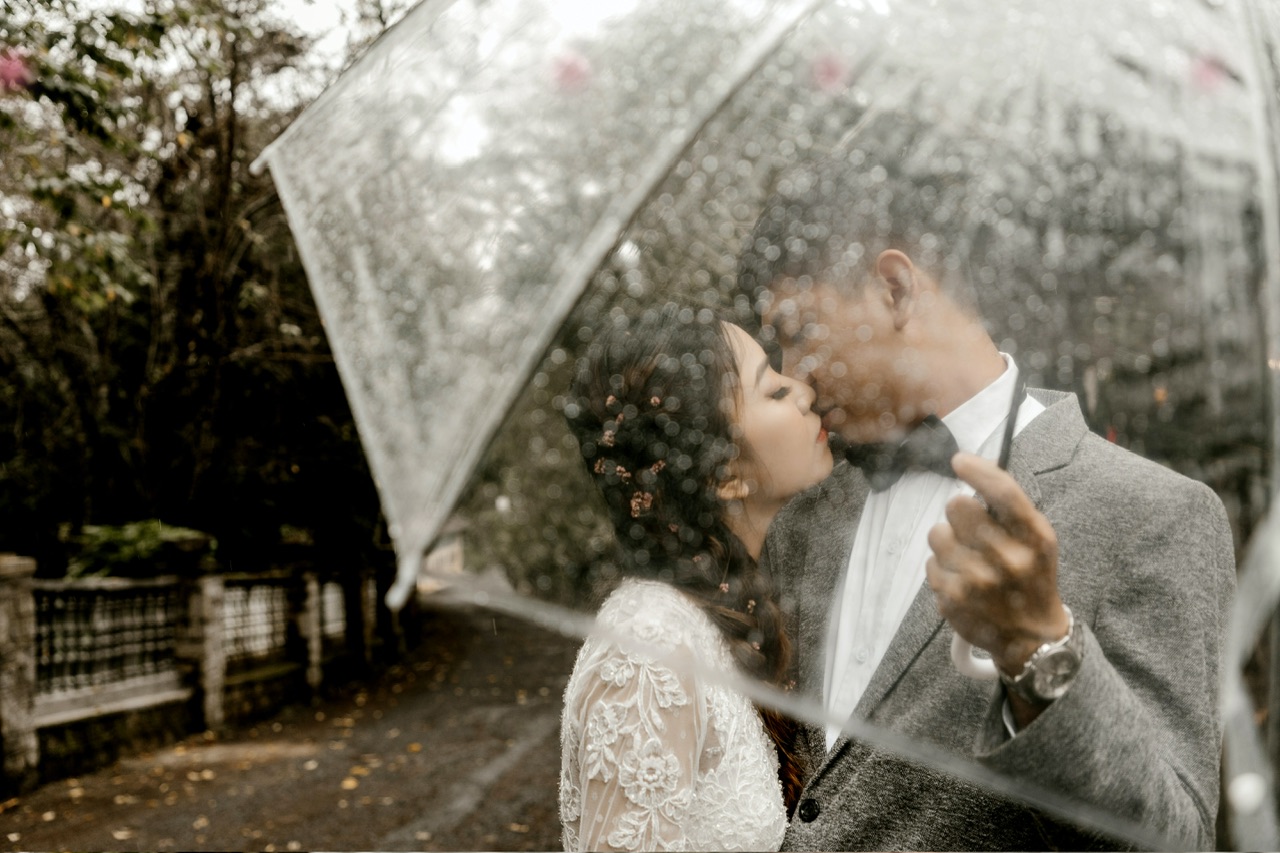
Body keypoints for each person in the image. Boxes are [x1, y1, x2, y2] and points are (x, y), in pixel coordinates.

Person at [737, 147, 1237, 850]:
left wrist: (1043, 651)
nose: (796, 375)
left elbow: (1177, 836)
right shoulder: (807, 522)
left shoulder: (1155, 516)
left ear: (895, 289)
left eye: (796, 331)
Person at [557, 302, 834, 851]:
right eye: (774, 391)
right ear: (726, 474)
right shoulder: (648, 647)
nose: (803, 391)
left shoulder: (730, 611)